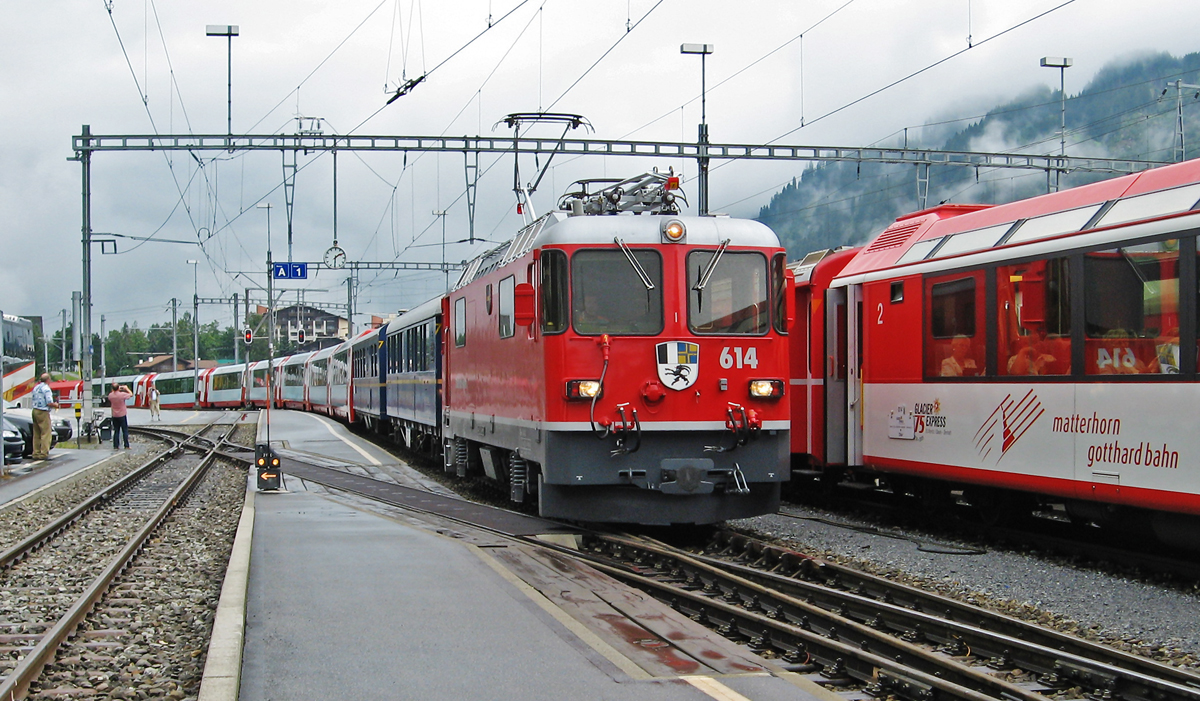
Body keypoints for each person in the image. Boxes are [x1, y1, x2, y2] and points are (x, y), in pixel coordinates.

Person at [30, 373, 59, 460]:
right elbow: (49, 402)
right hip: (43, 411)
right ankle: (43, 453)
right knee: (45, 433)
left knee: (37, 433)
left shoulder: (36, 387)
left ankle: (36, 452)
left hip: (35, 410)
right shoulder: (46, 389)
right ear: (48, 380)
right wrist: (56, 405)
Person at [108, 383, 133, 449]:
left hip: (114, 415)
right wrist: (126, 388)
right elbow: (131, 394)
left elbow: (112, 393)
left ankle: (116, 446)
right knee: (125, 430)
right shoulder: (122, 395)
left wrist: (115, 389)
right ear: (118, 388)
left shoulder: (110, 395)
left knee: (116, 431)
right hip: (122, 415)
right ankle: (126, 445)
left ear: (112, 389)